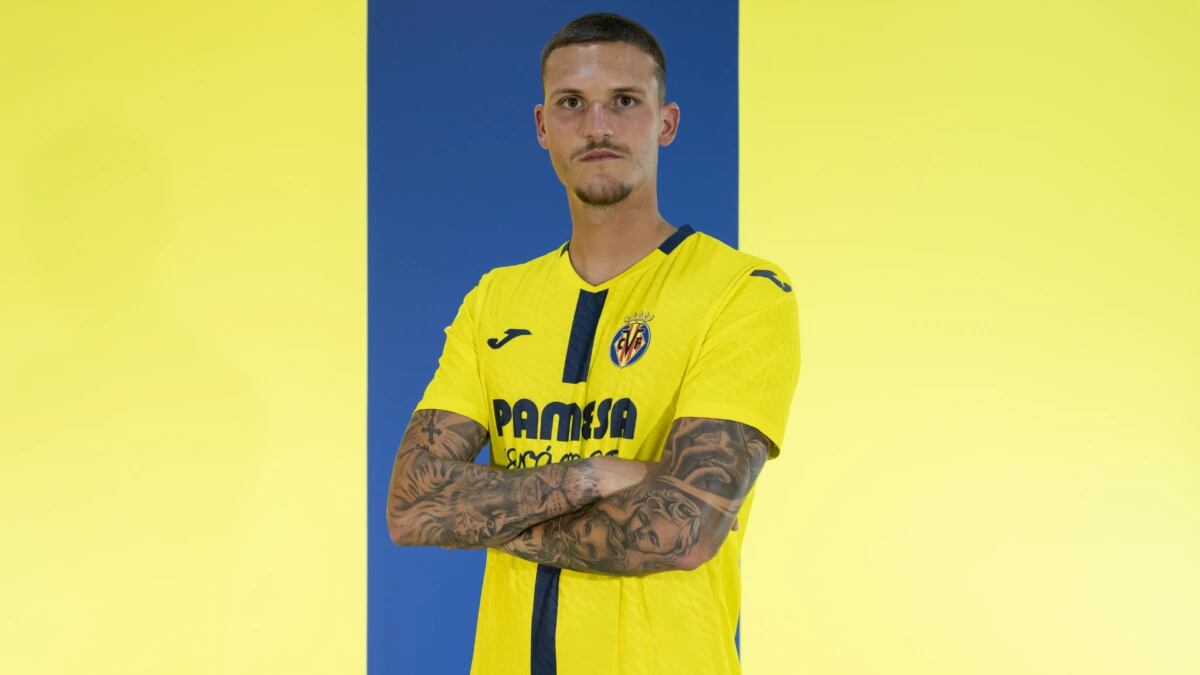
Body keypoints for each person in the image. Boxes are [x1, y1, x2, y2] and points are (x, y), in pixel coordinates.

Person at [386, 12, 800, 675]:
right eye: (572, 103)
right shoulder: (496, 299)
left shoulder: (741, 291)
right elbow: (411, 504)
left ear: (666, 122)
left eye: (625, 101)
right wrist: (593, 475)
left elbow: (685, 528)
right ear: (542, 126)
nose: (598, 125)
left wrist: (486, 513)